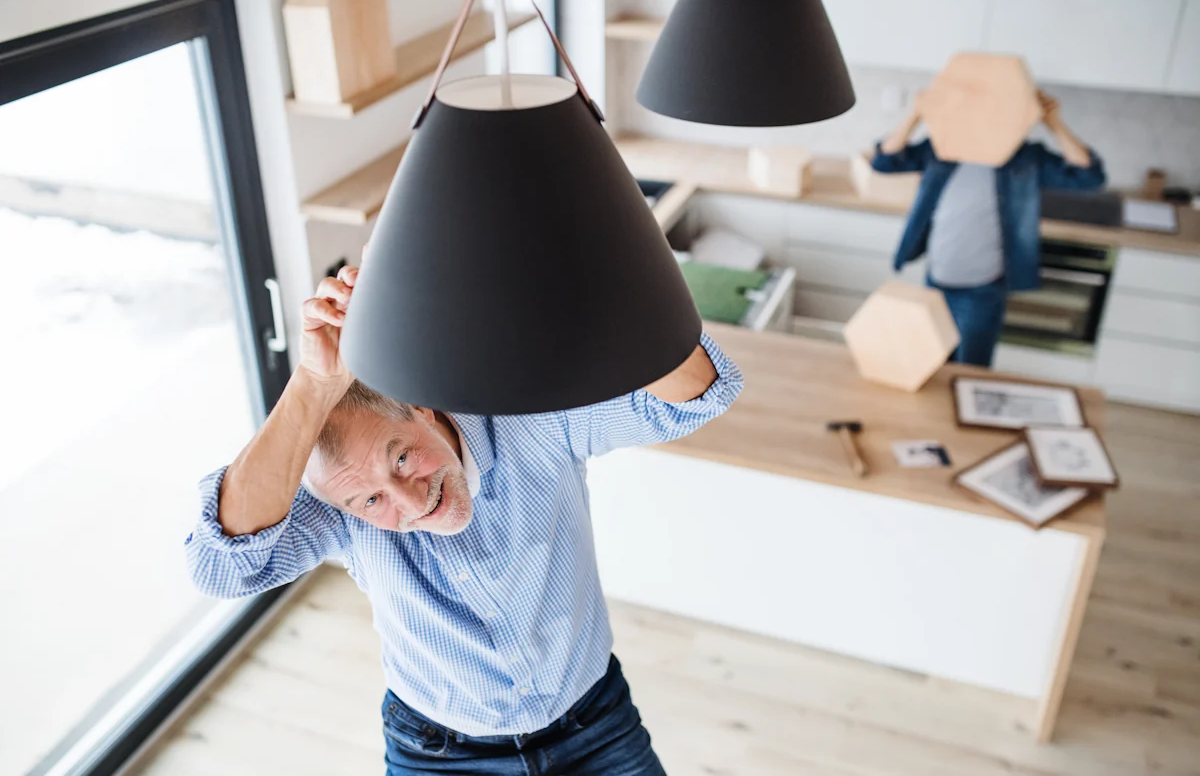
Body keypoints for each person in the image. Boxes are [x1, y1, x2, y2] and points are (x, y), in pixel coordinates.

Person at [186, 261, 743, 774]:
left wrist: (587, 273)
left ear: (421, 408)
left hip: (594, 724)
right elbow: (221, 568)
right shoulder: (336, 509)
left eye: (401, 458)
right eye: (371, 501)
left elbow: (700, 394)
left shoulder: (530, 417)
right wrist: (313, 385)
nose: (411, 503)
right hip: (439, 754)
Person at [871, 90, 1106, 367]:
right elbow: (884, 161)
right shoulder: (941, 149)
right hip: (936, 280)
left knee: (970, 369)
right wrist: (916, 114)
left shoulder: (1025, 159)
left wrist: (1054, 123)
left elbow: (1088, 177)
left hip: (982, 290)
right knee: (931, 363)